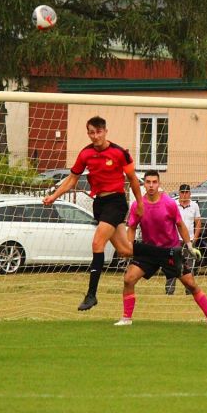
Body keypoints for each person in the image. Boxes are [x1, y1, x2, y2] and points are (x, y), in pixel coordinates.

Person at [43, 116, 144, 311]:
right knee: (125, 250)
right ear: (88, 133)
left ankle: (91, 295)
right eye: (91, 132)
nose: (95, 136)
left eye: (99, 132)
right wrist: (53, 196)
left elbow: (132, 179)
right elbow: (72, 179)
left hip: (116, 202)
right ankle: (164, 253)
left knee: (97, 243)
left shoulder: (119, 153)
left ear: (105, 131)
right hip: (99, 204)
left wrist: (140, 203)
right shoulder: (85, 154)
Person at [115, 170, 207, 329]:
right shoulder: (138, 205)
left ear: (159, 184)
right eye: (148, 182)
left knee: (191, 284)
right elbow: (131, 227)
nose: (151, 185)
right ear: (144, 185)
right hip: (149, 251)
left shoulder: (169, 203)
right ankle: (126, 318)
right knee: (128, 279)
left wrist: (190, 246)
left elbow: (180, 225)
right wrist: (128, 246)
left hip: (170, 251)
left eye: (154, 182)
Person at [165, 183, 201, 295]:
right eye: (182, 192)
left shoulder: (195, 206)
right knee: (171, 266)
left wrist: (194, 239)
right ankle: (169, 291)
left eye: (186, 192)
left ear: (190, 193)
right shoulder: (173, 204)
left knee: (188, 267)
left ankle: (189, 291)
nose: (184, 194)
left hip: (188, 242)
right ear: (179, 193)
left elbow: (198, 223)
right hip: (175, 241)